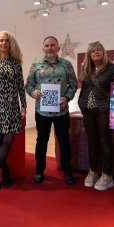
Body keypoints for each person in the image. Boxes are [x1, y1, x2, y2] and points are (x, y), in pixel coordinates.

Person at [25, 36, 77, 185]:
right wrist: (32, 92)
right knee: (41, 141)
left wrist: (67, 98)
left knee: (64, 141)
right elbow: (28, 84)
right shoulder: (36, 65)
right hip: (42, 111)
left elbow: (73, 84)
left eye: (52, 45)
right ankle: (39, 170)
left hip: (61, 111)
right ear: (43, 49)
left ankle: (67, 171)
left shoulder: (67, 65)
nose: (50, 48)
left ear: (58, 48)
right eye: (47, 46)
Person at [78, 41, 114, 190]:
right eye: (93, 51)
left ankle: (107, 175)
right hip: (88, 110)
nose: (96, 52)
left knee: (105, 142)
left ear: (103, 52)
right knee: (92, 141)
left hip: (105, 110)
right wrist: (81, 103)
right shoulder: (86, 70)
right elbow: (84, 88)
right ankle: (93, 171)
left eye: (99, 50)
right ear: (89, 55)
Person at [0, 31, 27, 192]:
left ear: (10, 44)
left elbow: (20, 86)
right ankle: (5, 170)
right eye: (1, 41)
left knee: (8, 140)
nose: (3, 43)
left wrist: (23, 105)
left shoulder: (16, 63)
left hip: (11, 106)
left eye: (6, 41)